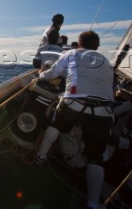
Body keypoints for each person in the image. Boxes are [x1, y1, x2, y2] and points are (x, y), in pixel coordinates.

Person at [34, 30, 114, 209]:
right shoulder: (107, 63)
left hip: (76, 103)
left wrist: (41, 75)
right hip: (103, 111)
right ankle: (93, 204)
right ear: (98, 46)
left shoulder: (71, 53)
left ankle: (41, 156)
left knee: (57, 124)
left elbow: (53, 73)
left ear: (79, 43)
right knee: (96, 158)